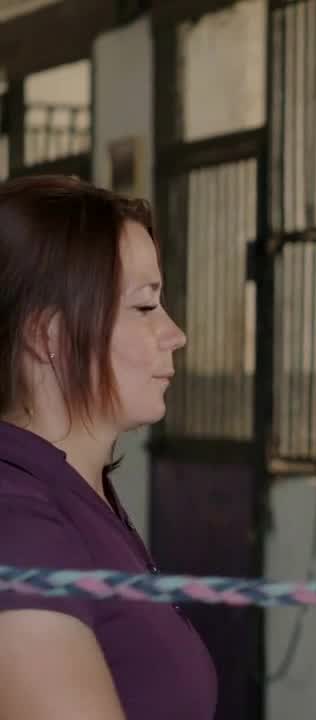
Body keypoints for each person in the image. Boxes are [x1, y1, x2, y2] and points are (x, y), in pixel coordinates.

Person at [0, 175, 216, 719]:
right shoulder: (16, 523)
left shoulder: (78, 493)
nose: (175, 334)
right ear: (49, 336)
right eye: (145, 307)